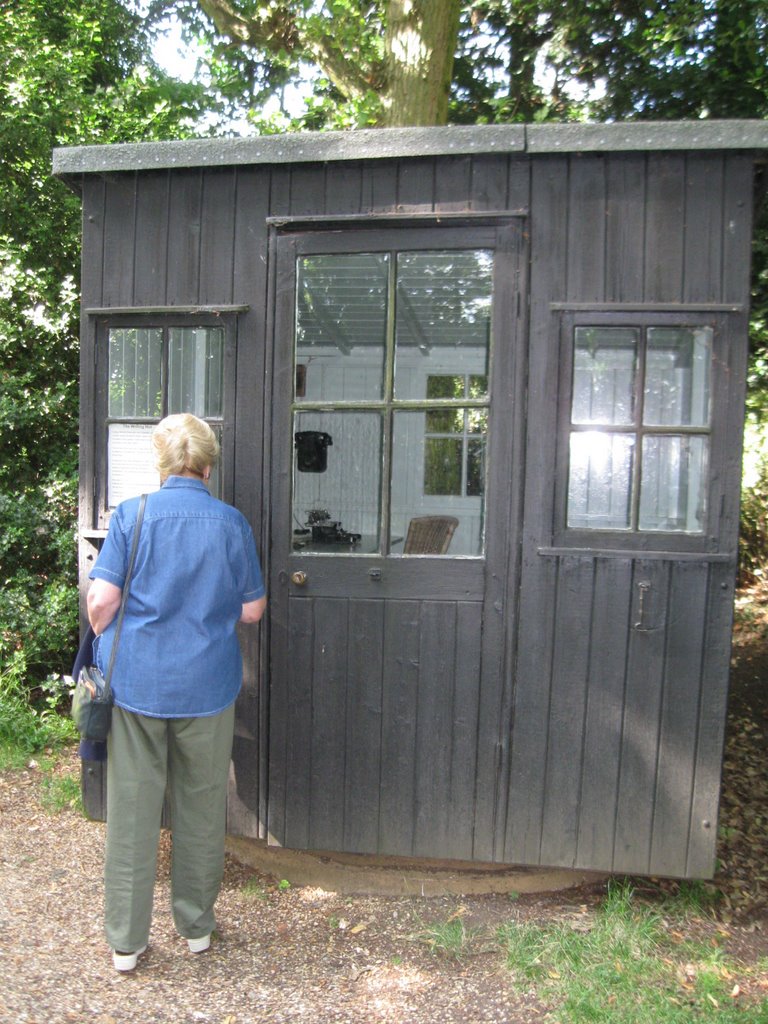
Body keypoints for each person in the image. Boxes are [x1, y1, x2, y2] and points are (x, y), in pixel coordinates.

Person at [87, 413, 266, 972]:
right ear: (208, 464)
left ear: (162, 464)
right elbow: (252, 610)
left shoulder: (132, 516)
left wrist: (108, 632)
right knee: (202, 807)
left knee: (134, 810)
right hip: (208, 688)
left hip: (139, 685)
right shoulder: (231, 523)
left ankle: (127, 943)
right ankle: (195, 928)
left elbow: (101, 603)